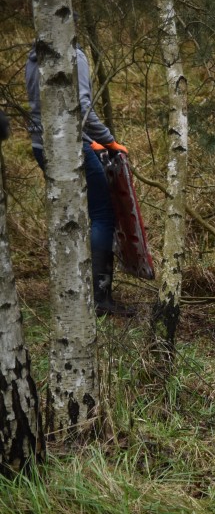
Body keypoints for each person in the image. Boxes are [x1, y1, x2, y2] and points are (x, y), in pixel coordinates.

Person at [26, 37, 132, 316]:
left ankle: (72, 290)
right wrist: (108, 141)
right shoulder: (75, 55)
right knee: (102, 214)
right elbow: (82, 106)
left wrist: (89, 139)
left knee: (70, 213)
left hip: (41, 145)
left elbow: (48, 106)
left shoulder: (33, 57)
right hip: (70, 146)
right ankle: (100, 298)